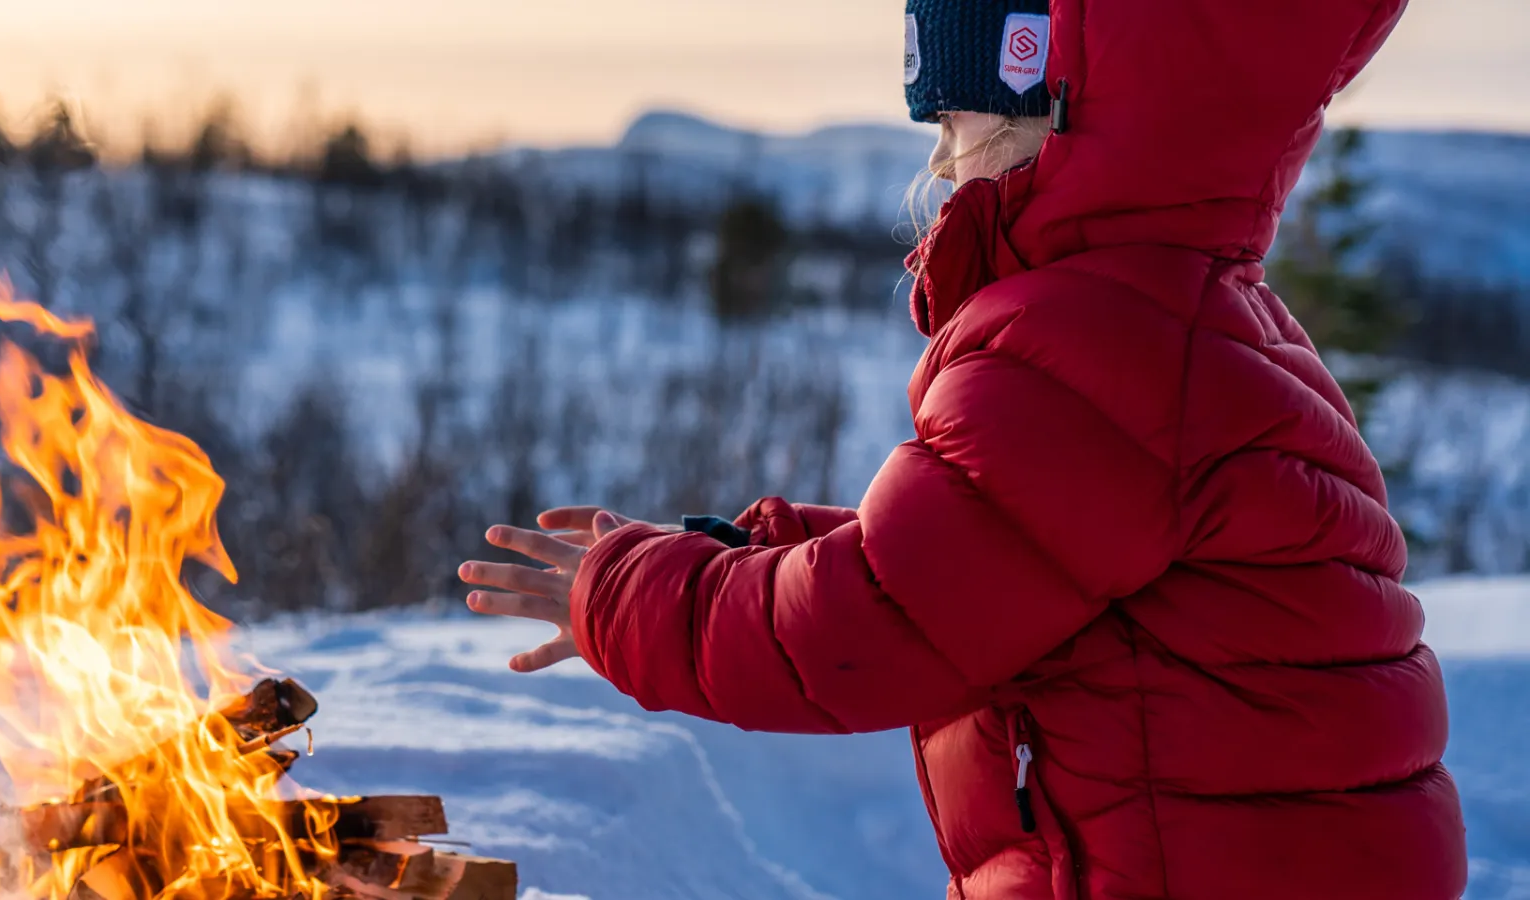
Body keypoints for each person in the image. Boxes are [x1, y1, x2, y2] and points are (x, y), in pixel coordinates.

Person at [458, 0, 1468, 896]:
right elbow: (1005, 559)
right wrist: (758, 554)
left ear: (1054, 107)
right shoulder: (1186, 312)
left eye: (953, 118)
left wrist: (628, 599)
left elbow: (864, 631)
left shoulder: (1088, 335)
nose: (939, 164)